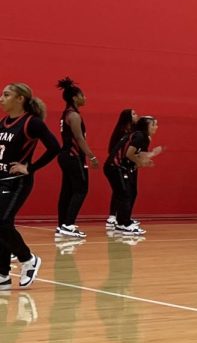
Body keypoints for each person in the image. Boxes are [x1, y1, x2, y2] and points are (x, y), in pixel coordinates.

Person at [0, 82, 61, 289]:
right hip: (2, 179)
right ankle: (2, 275)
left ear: (20, 99)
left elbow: (54, 147)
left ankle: (28, 259)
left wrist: (31, 167)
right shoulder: (4, 121)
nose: (2, 98)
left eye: (6, 95)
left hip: (18, 182)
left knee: (3, 222)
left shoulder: (31, 123)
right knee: (1, 227)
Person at [55, 77, 101, 239]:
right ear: (75, 97)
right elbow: (80, 139)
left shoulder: (67, 113)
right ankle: (68, 224)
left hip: (66, 156)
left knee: (67, 191)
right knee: (81, 189)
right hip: (73, 157)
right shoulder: (73, 115)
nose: (85, 98)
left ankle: (62, 225)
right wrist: (92, 156)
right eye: (83, 95)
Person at [110, 115, 162, 236]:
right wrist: (141, 161)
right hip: (116, 166)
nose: (156, 127)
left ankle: (122, 221)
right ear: (146, 126)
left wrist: (151, 155)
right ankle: (124, 224)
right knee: (126, 194)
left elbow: (137, 156)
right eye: (153, 124)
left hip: (124, 167)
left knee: (131, 192)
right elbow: (129, 154)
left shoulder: (143, 137)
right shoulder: (140, 136)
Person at [104, 109, 137, 230]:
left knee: (129, 191)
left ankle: (124, 217)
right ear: (127, 117)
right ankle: (113, 217)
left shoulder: (134, 132)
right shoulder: (121, 132)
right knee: (120, 192)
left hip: (129, 165)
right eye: (133, 113)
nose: (136, 115)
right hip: (118, 165)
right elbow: (114, 150)